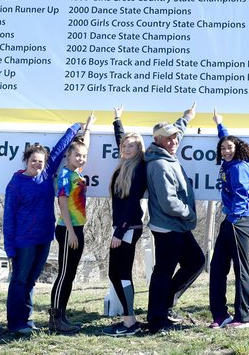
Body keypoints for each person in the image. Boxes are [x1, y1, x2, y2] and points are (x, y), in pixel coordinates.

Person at [3, 118, 88, 335]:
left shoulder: (47, 174)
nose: (37, 165)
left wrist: (74, 129)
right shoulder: (16, 184)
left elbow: (60, 150)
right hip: (24, 241)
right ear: (26, 160)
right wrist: (9, 247)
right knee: (19, 280)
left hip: (44, 237)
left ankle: (27, 319)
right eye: (34, 161)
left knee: (31, 281)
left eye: (41, 161)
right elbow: (8, 218)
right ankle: (16, 323)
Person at [145, 103, 205, 334]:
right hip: (168, 227)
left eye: (175, 138)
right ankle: (157, 320)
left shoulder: (166, 153)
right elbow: (169, 202)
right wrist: (189, 214)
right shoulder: (160, 165)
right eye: (168, 138)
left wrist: (186, 118)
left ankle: (166, 303)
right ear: (158, 140)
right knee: (163, 271)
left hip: (176, 226)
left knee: (195, 261)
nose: (173, 141)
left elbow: (177, 131)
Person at [208, 109, 249, 329]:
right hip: (229, 221)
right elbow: (225, 139)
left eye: (229, 148)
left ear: (237, 149)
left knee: (241, 270)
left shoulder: (239, 168)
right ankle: (220, 315)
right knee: (218, 267)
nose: (225, 150)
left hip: (239, 222)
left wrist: (234, 220)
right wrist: (220, 125)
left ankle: (243, 318)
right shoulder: (228, 163)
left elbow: (240, 195)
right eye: (223, 148)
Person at [49, 111, 96, 334]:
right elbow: (63, 205)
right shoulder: (66, 175)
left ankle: (63, 315)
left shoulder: (77, 172)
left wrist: (88, 128)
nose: (81, 159)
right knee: (65, 273)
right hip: (68, 230)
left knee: (70, 273)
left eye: (84, 156)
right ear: (69, 155)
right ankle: (56, 318)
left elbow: (83, 145)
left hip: (77, 228)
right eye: (77, 156)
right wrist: (71, 232)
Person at [103, 105, 147, 337]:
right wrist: (117, 119)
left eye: (132, 146)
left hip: (128, 228)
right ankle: (128, 319)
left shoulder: (139, 169)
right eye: (125, 146)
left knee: (121, 274)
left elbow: (132, 205)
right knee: (114, 273)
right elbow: (122, 138)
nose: (127, 148)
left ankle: (130, 322)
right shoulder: (125, 163)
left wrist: (119, 233)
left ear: (139, 149)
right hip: (121, 227)